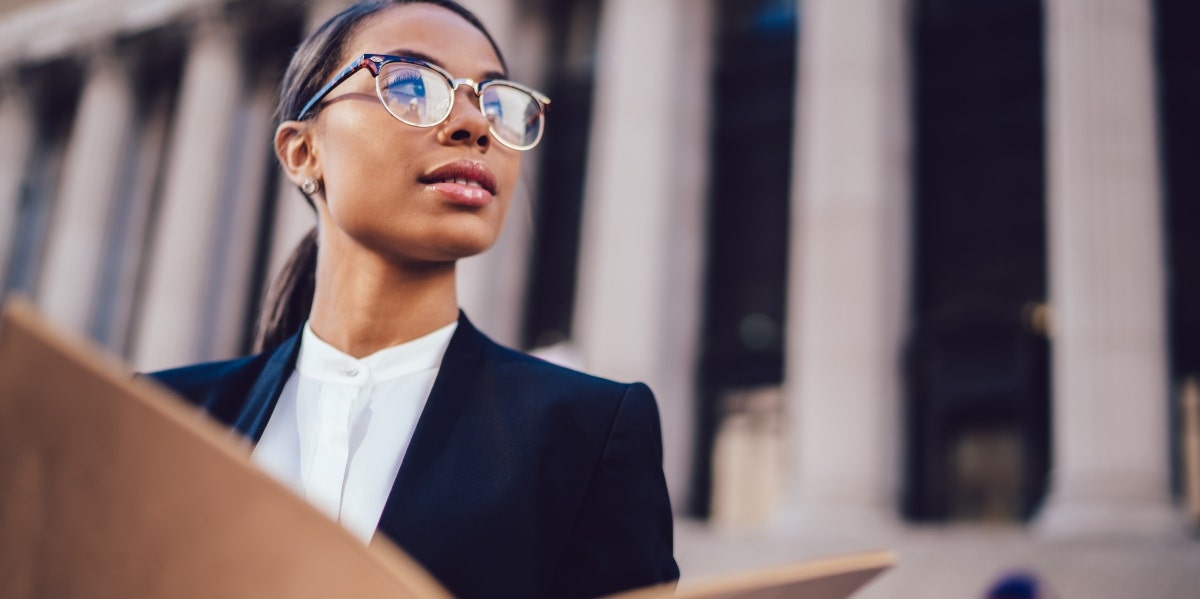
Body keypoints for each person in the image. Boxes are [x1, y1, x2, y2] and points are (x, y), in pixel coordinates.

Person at [147, 1, 679, 597]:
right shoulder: (160, 418)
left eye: (494, 101)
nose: (474, 124)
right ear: (303, 152)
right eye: (411, 84)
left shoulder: (589, 433)